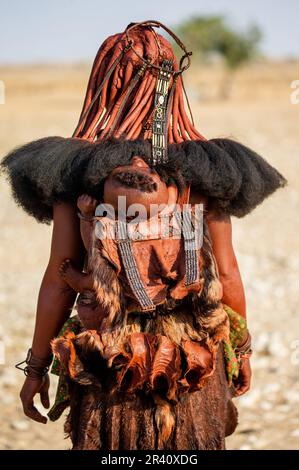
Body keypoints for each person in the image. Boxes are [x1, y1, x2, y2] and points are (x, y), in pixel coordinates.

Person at [1, 20, 286, 450]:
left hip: (106, 360)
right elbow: (227, 274)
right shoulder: (204, 169)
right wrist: (240, 352)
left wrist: (37, 367)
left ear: (102, 83)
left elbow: (59, 279)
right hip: (192, 364)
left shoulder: (72, 170)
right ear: (171, 86)